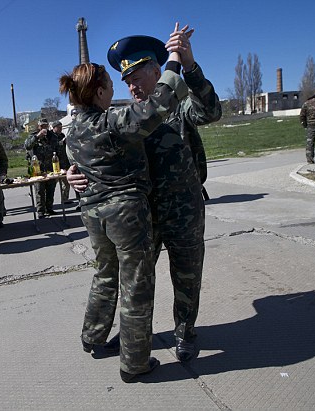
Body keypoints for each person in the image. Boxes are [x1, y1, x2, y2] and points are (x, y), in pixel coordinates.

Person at [67, 29, 222, 363]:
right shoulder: (125, 117)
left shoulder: (177, 108)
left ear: (157, 71)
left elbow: (211, 112)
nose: (132, 87)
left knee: (187, 274)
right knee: (134, 280)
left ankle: (185, 332)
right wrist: (72, 172)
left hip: (183, 209)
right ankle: (133, 336)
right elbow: (92, 152)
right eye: (126, 82)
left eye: (137, 78)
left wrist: (190, 66)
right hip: (140, 215)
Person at [24, 118, 60, 218]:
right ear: (39, 126)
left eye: (46, 126)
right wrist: (37, 136)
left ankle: (49, 208)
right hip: (37, 168)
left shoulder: (52, 136)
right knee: (39, 190)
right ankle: (40, 211)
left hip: (50, 167)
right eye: (42, 126)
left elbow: (57, 149)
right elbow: (27, 146)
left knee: (50, 189)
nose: (44, 127)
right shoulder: (33, 136)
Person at [52, 120, 71, 203]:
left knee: (66, 183)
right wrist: (61, 142)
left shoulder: (62, 135)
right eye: (59, 127)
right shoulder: (51, 136)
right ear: (54, 128)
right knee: (53, 184)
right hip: (54, 163)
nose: (60, 129)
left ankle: (65, 199)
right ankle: (49, 203)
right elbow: (53, 146)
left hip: (64, 162)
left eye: (61, 127)